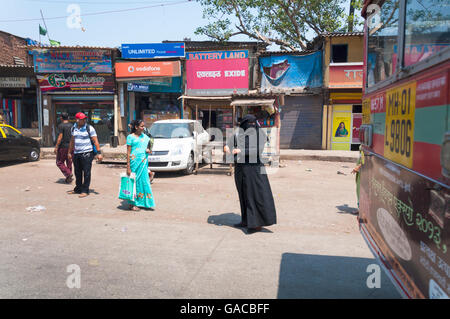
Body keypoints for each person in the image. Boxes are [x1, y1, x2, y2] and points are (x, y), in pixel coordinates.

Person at [224, 114, 277, 233]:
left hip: (254, 170)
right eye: (248, 124)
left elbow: (258, 150)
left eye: (253, 124)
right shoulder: (239, 133)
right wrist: (227, 146)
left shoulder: (260, 134)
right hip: (240, 169)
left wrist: (241, 150)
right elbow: (230, 143)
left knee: (254, 195)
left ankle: (255, 224)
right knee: (243, 195)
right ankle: (245, 220)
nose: (251, 126)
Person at [67, 112, 103, 198]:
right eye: (82, 119)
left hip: (87, 153)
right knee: (77, 172)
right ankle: (78, 188)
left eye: (84, 119)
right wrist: (69, 152)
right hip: (76, 153)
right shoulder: (73, 128)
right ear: (77, 120)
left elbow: (95, 141)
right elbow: (72, 141)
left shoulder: (89, 128)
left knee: (86, 173)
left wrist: (99, 153)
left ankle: (85, 190)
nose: (84, 120)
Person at [126, 119, 155, 211]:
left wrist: (148, 150)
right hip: (134, 163)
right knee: (134, 183)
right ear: (136, 127)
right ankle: (133, 203)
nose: (143, 128)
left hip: (143, 163)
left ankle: (144, 203)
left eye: (144, 126)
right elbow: (128, 152)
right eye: (142, 126)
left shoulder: (146, 138)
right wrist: (128, 166)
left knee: (144, 182)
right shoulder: (130, 137)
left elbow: (148, 149)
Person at [54, 113, 74, 183]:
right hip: (71, 147)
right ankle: (69, 178)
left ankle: (68, 173)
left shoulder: (61, 126)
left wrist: (56, 146)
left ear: (61, 118)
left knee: (59, 162)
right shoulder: (72, 126)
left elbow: (60, 137)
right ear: (68, 117)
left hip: (63, 147)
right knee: (69, 162)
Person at [351, 145, 365, 213]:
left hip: (363, 172)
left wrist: (357, 167)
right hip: (360, 171)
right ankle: (360, 208)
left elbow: (364, 160)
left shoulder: (365, 146)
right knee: (358, 190)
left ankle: (361, 209)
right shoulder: (363, 144)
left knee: (360, 190)